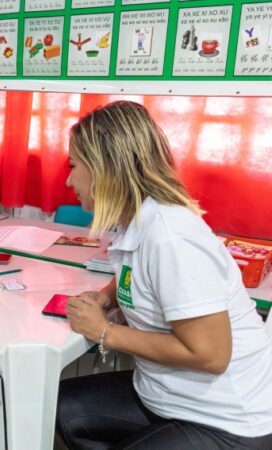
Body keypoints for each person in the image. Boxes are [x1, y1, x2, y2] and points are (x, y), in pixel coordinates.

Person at [57, 100, 272, 449]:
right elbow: (138, 273)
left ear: (105, 168)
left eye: (74, 165)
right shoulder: (139, 219)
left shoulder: (172, 237)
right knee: (65, 408)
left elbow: (211, 355)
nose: (68, 179)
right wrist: (108, 296)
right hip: (167, 397)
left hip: (227, 420)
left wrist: (105, 331)